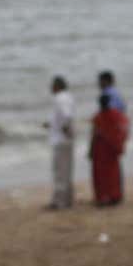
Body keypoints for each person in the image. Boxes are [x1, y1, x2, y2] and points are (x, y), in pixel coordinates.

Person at [89, 94, 129, 206]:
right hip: (112, 149)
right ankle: (115, 195)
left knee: (101, 174)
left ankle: (103, 197)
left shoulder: (98, 117)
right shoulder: (116, 115)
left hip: (101, 149)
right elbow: (123, 128)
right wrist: (119, 144)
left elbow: (94, 134)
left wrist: (91, 150)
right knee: (113, 173)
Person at [46, 77, 75, 210]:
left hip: (60, 139)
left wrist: (65, 128)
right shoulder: (68, 97)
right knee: (67, 170)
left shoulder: (60, 98)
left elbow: (66, 115)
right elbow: (63, 116)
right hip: (65, 138)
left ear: (57, 86)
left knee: (60, 171)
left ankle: (60, 202)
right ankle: (67, 199)